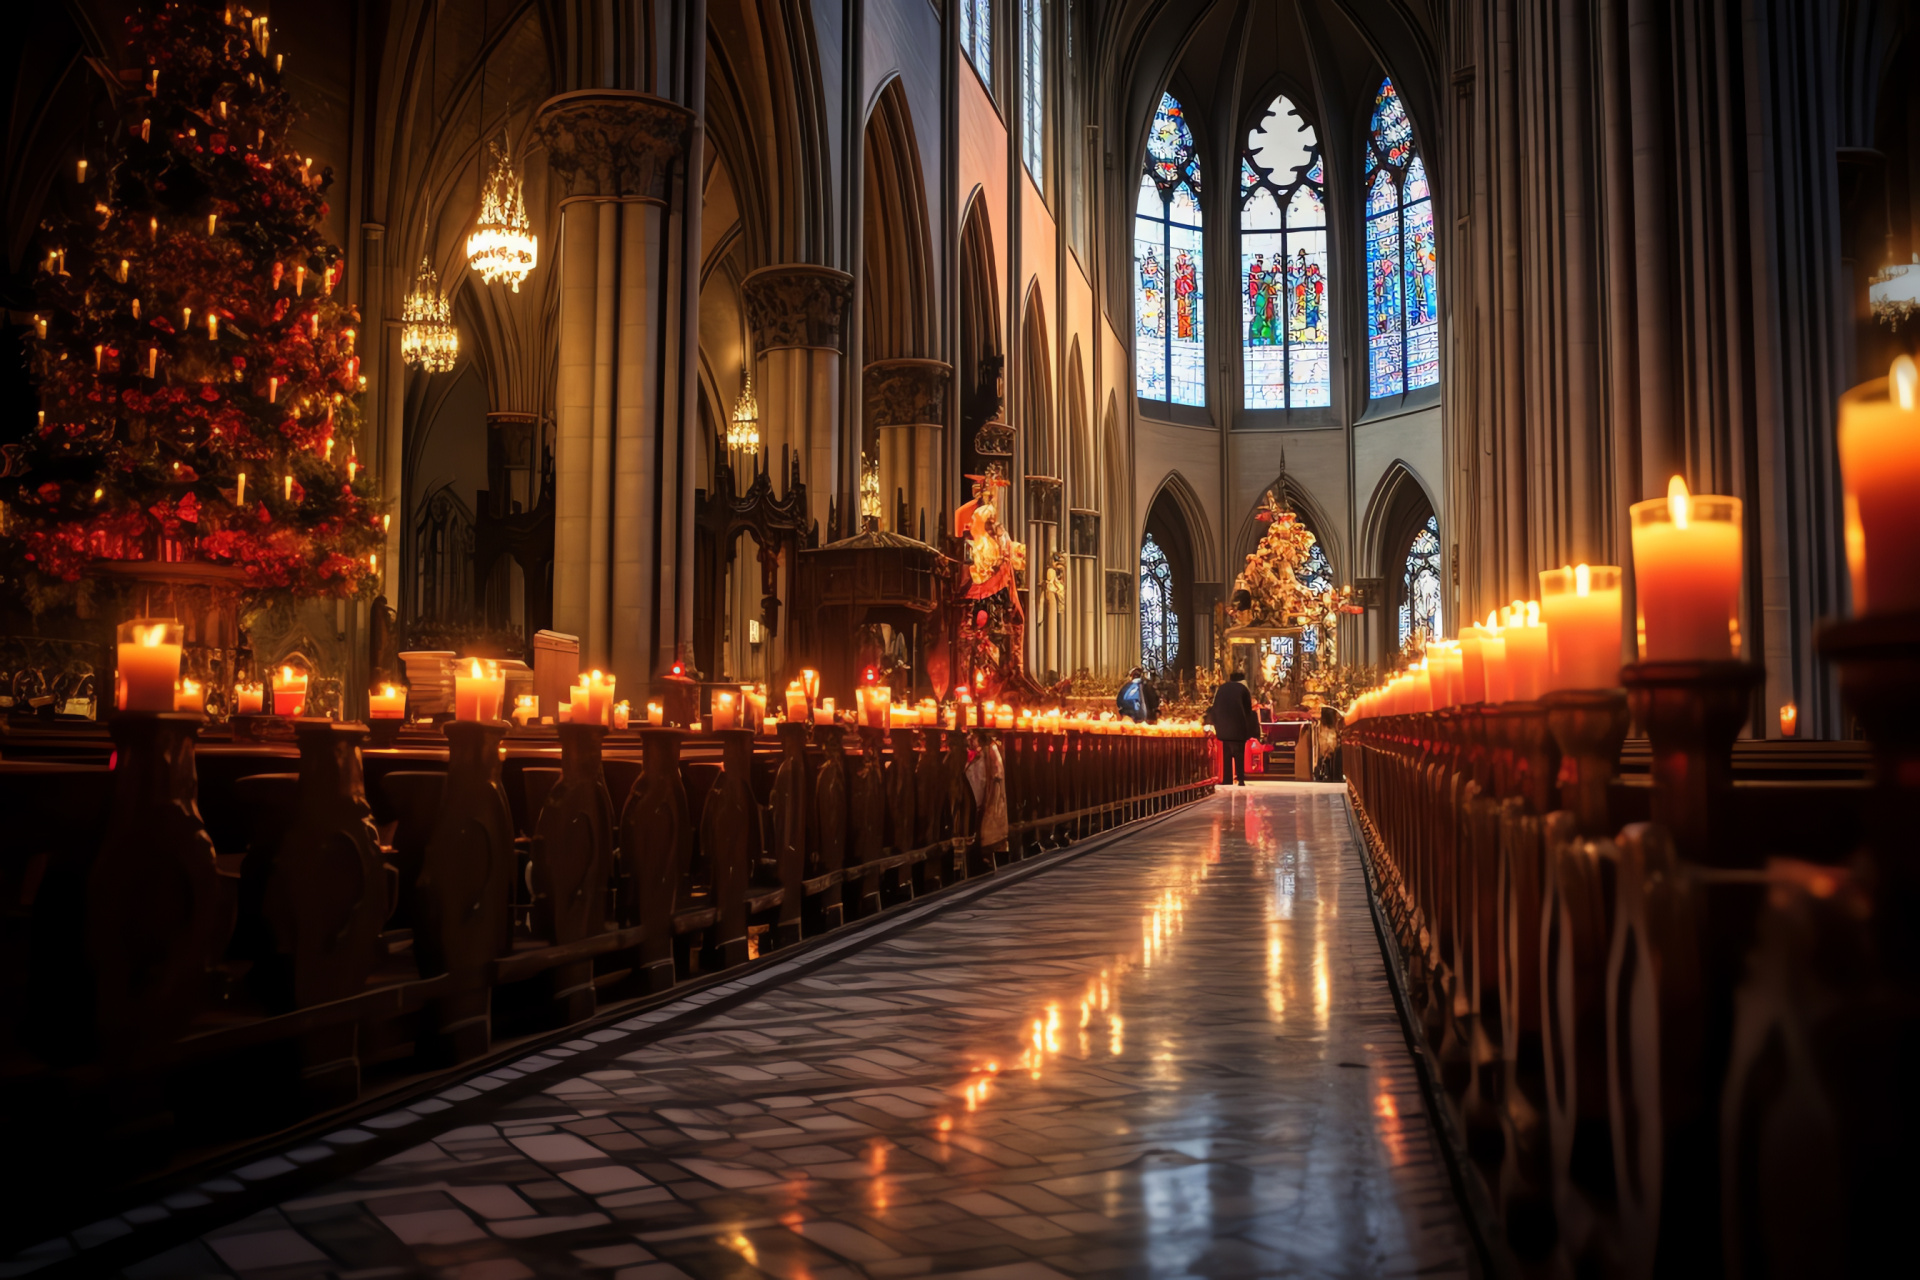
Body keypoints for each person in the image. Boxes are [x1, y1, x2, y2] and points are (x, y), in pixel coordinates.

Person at [1207, 670, 1260, 786]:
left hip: (1223, 726)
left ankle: (1227, 779)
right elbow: (1248, 710)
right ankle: (1240, 779)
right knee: (1239, 753)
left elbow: (1215, 706)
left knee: (1226, 753)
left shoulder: (1222, 688)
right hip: (1238, 726)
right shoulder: (1243, 689)